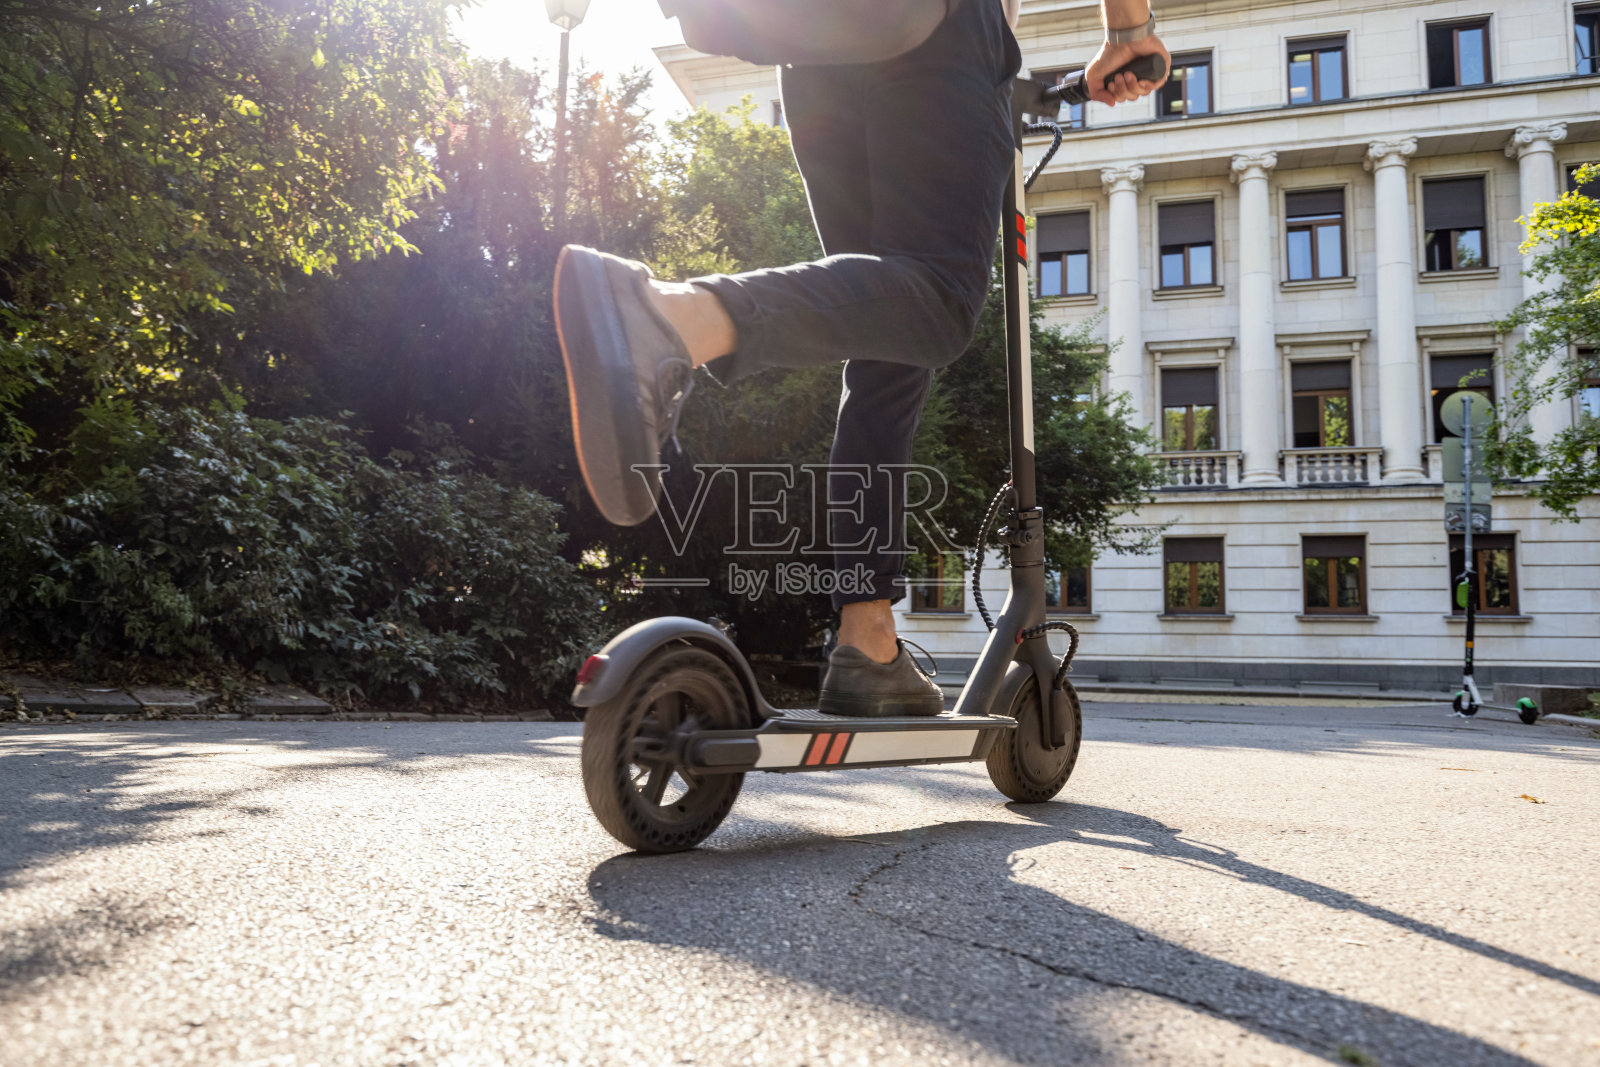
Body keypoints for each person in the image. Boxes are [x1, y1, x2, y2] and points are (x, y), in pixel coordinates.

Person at [554, 0, 1167, 716]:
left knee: (886, 336)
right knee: (936, 301)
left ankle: (868, 639)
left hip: (823, 47)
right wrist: (1128, 32)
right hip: (937, 30)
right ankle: (674, 317)